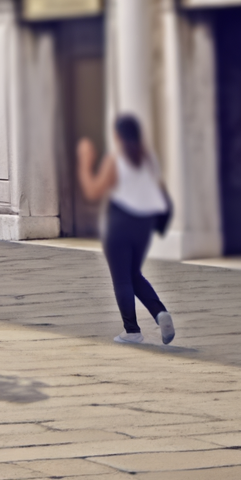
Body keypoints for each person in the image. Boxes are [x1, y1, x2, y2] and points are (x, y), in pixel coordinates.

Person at [77, 114, 176, 346]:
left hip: (119, 223)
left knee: (121, 279)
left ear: (118, 135)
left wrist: (85, 162)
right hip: (143, 225)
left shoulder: (116, 159)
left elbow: (93, 192)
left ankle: (132, 331)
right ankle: (160, 313)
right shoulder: (148, 158)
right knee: (134, 274)